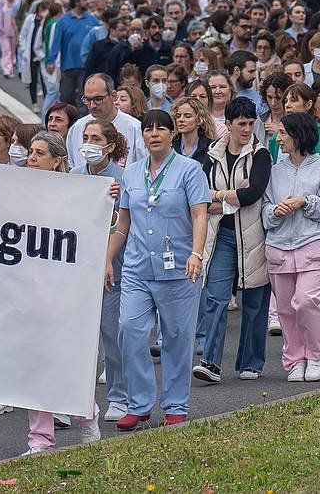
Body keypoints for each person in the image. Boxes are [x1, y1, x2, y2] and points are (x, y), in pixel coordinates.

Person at [105, 110, 211, 430]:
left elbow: (199, 215)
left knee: (177, 338)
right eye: (148, 130)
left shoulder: (189, 170)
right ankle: (139, 404)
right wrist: (108, 258)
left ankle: (176, 405)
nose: (154, 134)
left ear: (172, 133)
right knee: (130, 331)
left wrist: (196, 253)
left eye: (161, 129)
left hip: (179, 269)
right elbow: (123, 223)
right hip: (138, 268)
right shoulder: (132, 174)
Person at [20, 132, 104, 454]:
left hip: (65, 292)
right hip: (28, 291)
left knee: (66, 360)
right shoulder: (13, 191)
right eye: (30, 151)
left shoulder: (75, 195)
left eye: (40, 153)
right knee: (33, 364)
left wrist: (105, 195)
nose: (31, 157)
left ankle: (86, 416)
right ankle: (40, 438)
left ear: (56, 161)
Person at [193, 98, 272, 384]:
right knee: (215, 296)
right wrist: (229, 197)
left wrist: (219, 196)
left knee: (254, 298)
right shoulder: (212, 153)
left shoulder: (261, 154)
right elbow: (201, 194)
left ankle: (251, 362)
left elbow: (253, 194)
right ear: (228, 124)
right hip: (221, 236)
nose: (247, 129)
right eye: (242, 124)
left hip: (253, 234)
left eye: (251, 124)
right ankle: (210, 361)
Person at [263, 113, 320, 382]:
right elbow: (265, 210)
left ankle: (316, 355)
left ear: (298, 135)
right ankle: (295, 359)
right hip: (279, 247)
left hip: (312, 243)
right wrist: (276, 210)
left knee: (306, 301)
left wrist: (304, 201)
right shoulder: (274, 171)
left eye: (283, 133)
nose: (277, 138)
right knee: (284, 309)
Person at [72, 120, 130, 421]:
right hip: (80, 265)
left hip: (112, 266)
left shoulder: (123, 178)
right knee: (76, 336)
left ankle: (119, 397)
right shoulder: (74, 176)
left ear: (110, 145)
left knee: (111, 332)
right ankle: (72, 401)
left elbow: (127, 222)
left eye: (96, 138)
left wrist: (120, 199)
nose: (89, 143)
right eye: (85, 137)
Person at [67, 74, 146, 170]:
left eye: (98, 99)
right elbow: (71, 165)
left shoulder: (135, 128)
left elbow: (143, 167)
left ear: (113, 96)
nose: (92, 105)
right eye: (87, 100)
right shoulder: (77, 128)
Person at [46, 0, 100, 107]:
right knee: (66, 97)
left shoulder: (92, 20)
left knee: (84, 99)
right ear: (77, 2)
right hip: (68, 66)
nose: (88, 2)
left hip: (85, 67)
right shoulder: (63, 21)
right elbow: (56, 43)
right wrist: (50, 61)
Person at [171, 95, 216, 165]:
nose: (181, 120)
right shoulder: (170, 145)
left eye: (187, 116)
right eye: (178, 116)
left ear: (199, 120)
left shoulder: (211, 147)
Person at [206, 72, 233, 137]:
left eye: (222, 87)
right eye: (213, 87)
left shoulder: (239, 114)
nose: (217, 91)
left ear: (230, 89)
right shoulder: (199, 117)